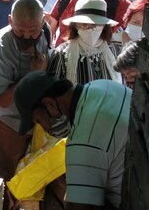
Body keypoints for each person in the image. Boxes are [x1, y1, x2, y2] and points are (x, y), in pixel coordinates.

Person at [15, 71, 131, 210]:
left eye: (39, 121)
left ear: (49, 103)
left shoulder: (81, 141)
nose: (45, 129)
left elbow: (78, 207)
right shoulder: (103, 85)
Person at [0, 0, 48, 208]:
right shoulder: (0, 47)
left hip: (32, 119)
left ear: (43, 22)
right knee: (7, 178)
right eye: (20, 32)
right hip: (6, 122)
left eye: (33, 32)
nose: (28, 37)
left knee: (29, 178)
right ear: (10, 21)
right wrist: (31, 75)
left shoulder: (43, 33)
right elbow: (1, 100)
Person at [48, 0, 121, 85]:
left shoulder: (115, 50)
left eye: (95, 25)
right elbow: (54, 88)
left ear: (104, 26)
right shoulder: (61, 53)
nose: (90, 29)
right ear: (75, 26)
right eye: (84, 25)